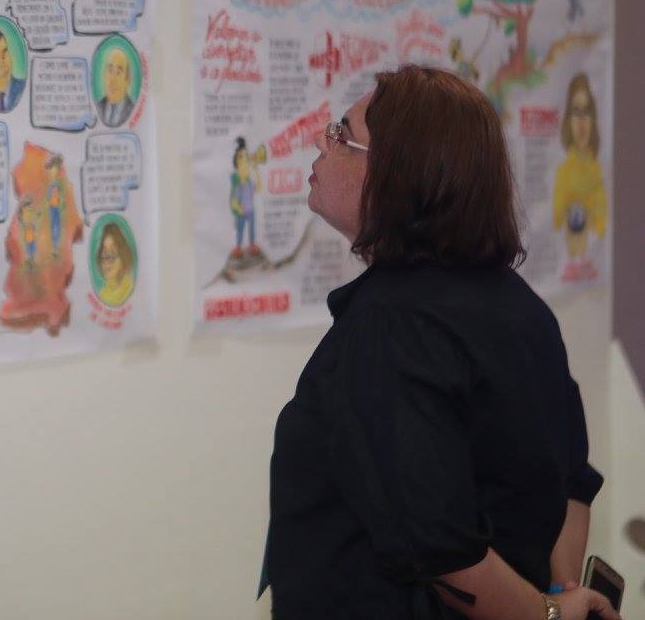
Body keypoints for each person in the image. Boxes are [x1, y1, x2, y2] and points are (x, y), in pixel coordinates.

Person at [263, 66, 614, 620]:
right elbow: (571, 482)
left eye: (342, 133)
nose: (321, 141)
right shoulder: (518, 303)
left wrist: (547, 614)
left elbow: (443, 553)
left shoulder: (391, 325)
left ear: (395, 173)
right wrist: (557, 592)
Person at [551, 73, 606, 265]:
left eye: (586, 111)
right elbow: (555, 224)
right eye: (576, 111)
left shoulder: (599, 172)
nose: (582, 120)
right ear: (568, 119)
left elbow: (602, 228)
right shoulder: (562, 173)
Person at [230, 136, 262, 259]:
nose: (246, 165)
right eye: (243, 162)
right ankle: (238, 247)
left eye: (246, 161)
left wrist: (257, 173)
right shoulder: (238, 183)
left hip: (250, 210)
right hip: (242, 211)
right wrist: (238, 208)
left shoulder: (249, 182)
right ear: (238, 164)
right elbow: (234, 198)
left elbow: (258, 188)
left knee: (252, 228)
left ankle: (251, 245)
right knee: (240, 229)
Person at [94, 221, 134, 307]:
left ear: (123, 257)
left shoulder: (130, 287)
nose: (106, 262)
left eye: (112, 254)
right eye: (104, 254)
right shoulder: (103, 294)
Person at [96, 46, 135, 127]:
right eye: (109, 71)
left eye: (118, 73)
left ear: (127, 80)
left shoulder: (132, 110)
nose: (112, 80)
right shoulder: (98, 107)